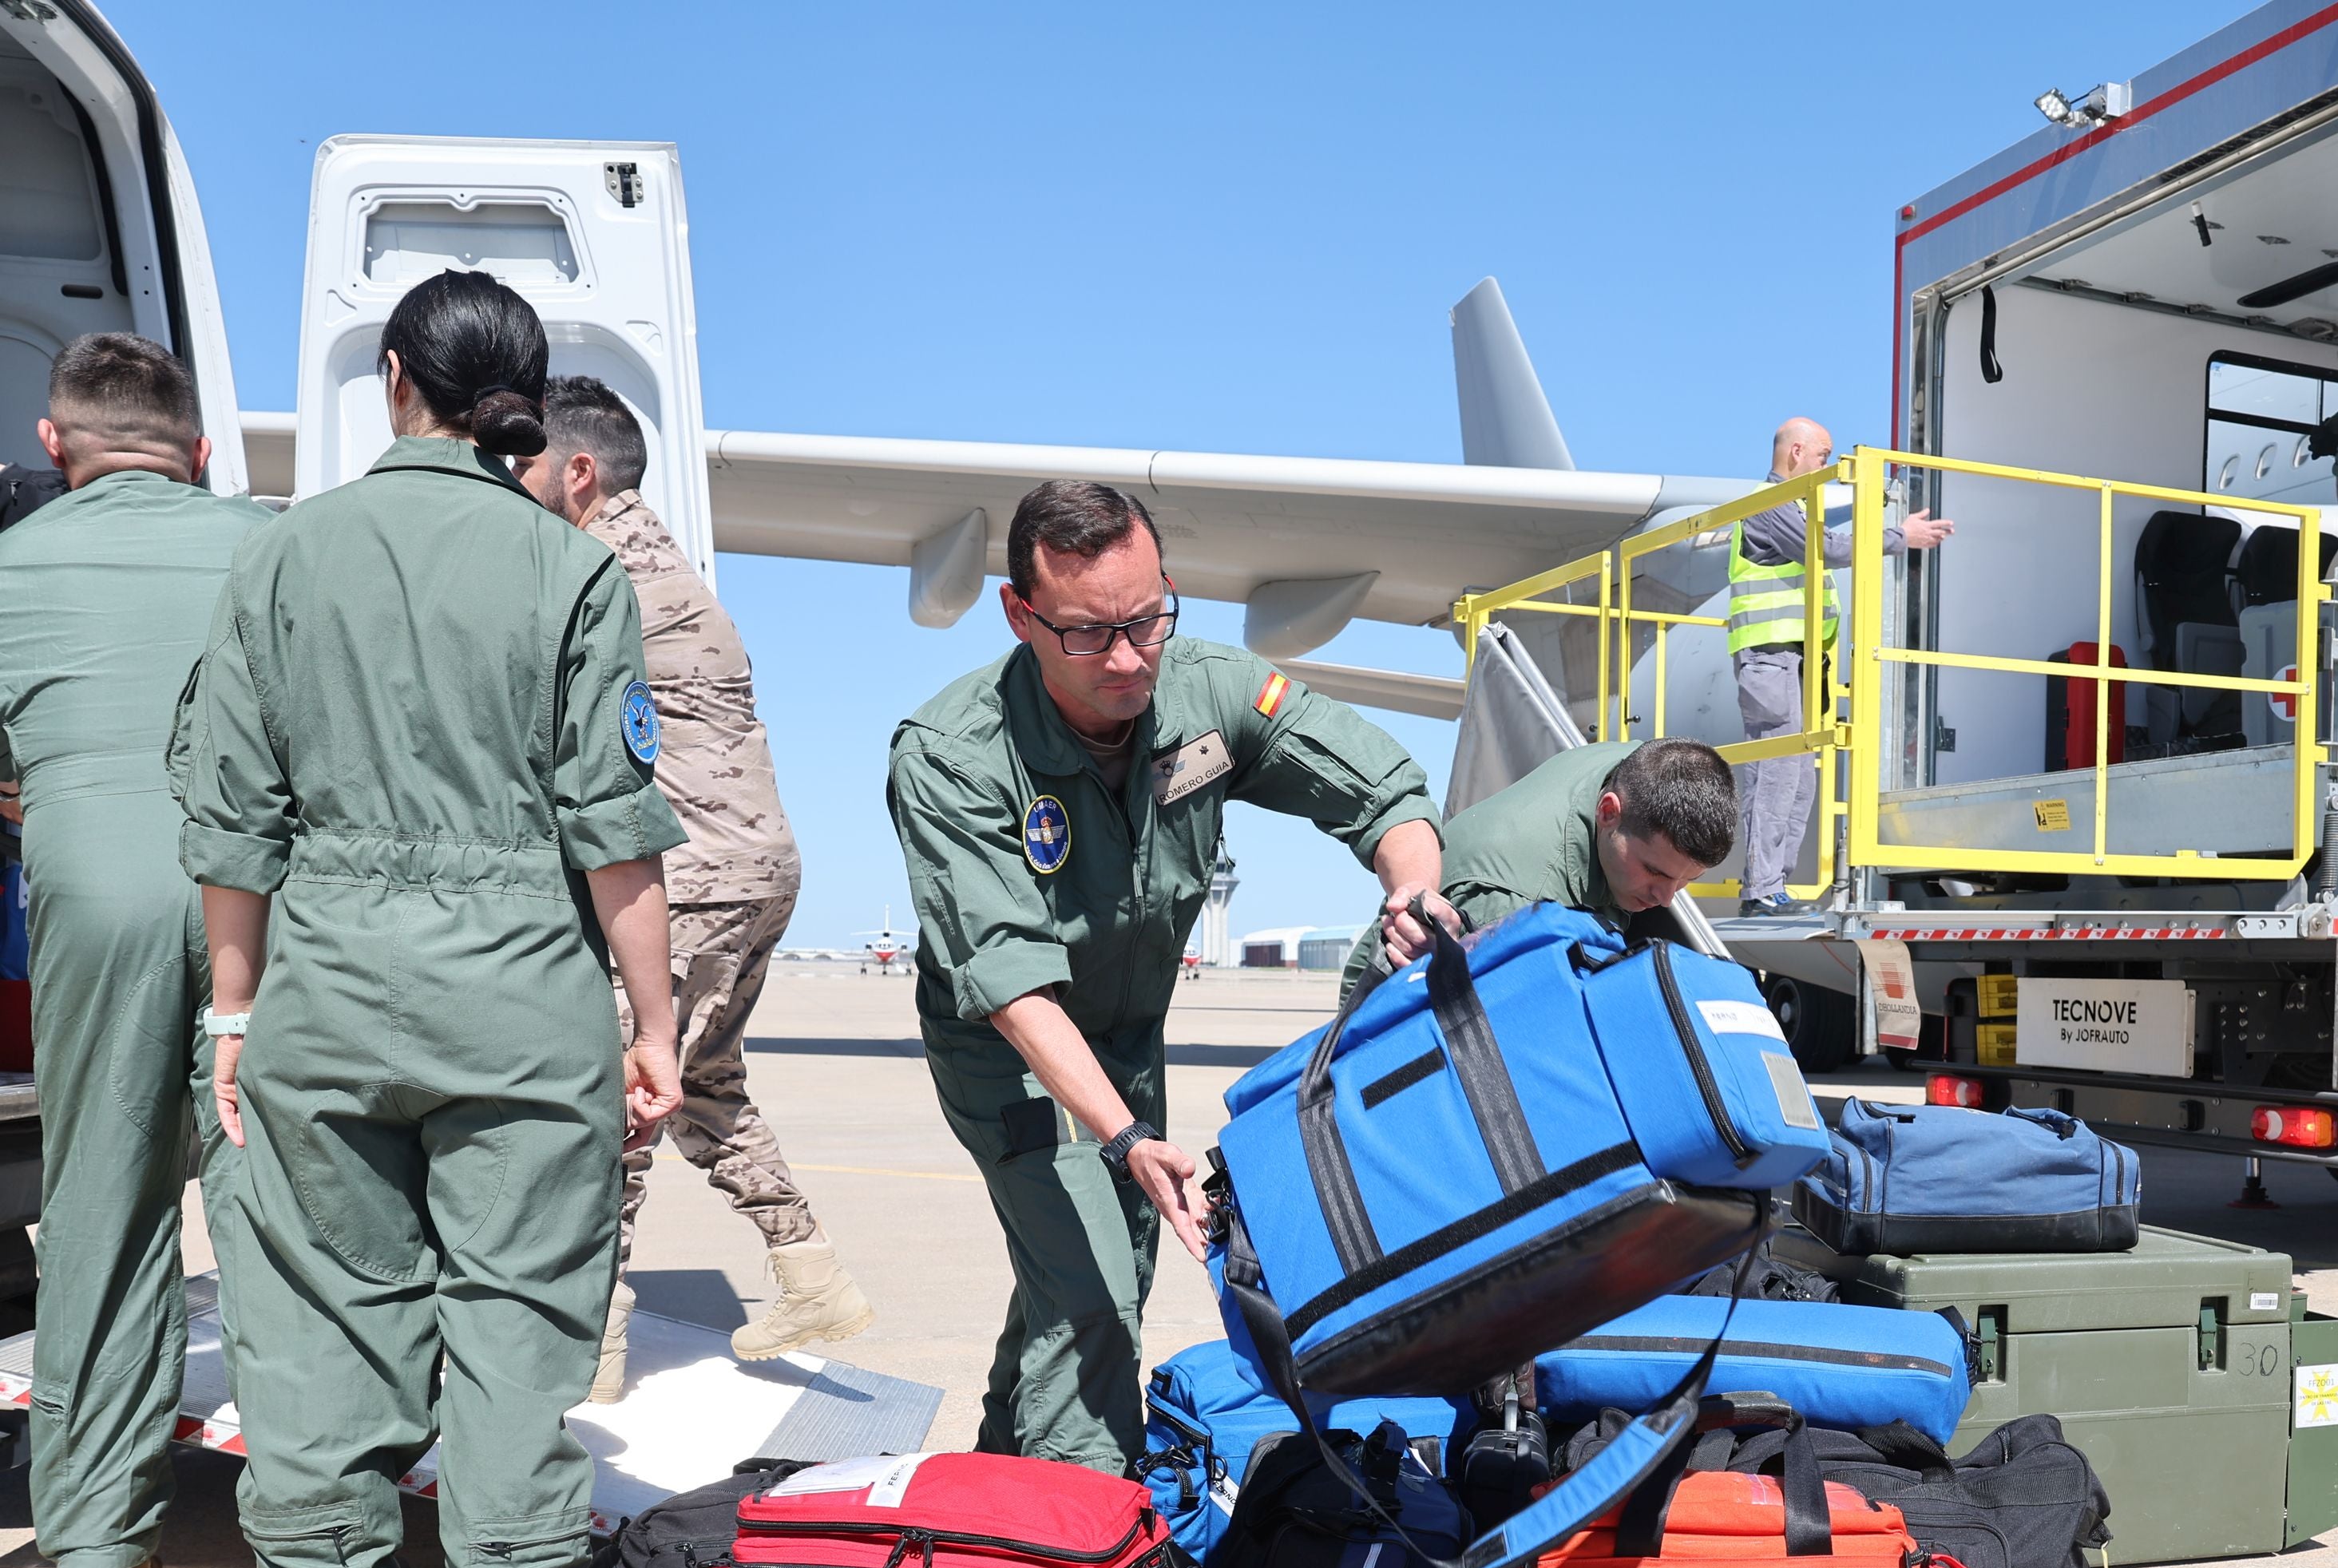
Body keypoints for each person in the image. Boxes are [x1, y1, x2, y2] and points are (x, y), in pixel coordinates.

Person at [171, 269, 684, 1568]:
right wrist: (653, 1025)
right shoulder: (570, 571)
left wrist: (234, 1011)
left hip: (322, 993)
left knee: (318, 1352)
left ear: (393, 379)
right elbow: (619, 835)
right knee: (511, 1355)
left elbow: (230, 814)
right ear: (520, 397)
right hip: (518, 1003)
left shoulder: (281, 558)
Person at [886, 479, 1445, 1473]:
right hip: (1011, 1052)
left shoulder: (1208, 692)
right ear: (1021, 615)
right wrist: (1129, 1135)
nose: (1131, 656)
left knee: (1094, 1279)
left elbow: (1381, 786)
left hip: (1129, 1036)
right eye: (1090, 634)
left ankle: (988, 1510)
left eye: (1149, 620)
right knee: (1094, 1291)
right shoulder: (952, 755)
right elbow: (1012, 985)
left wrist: (1410, 891)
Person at [519, 376, 874, 1400]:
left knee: (625, 1094)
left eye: (525, 462)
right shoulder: (666, 565)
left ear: (577, 472)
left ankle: (593, 1345)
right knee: (704, 1082)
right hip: (754, 866)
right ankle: (812, 1272)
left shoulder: (595, 572)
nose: (512, 482)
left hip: (698, 876)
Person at [0, 335, 267, 1568]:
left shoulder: (10, 564)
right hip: (261, 918)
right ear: (201, 453)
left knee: (101, 1206)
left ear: (55, 448)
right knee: (279, 1215)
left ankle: (99, 1551)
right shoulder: (269, 546)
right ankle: (312, 1553)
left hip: (91, 911)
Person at [1726, 418, 1952, 916]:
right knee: (1777, 772)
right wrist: (1899, 536)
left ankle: (1771, 887)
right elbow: (1826, 550)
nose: (1825, 466)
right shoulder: (1771, 503)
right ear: (1796, 453)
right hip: (1770, 658)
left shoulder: (1793, 506)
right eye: (1822, 456)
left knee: (1800, 777)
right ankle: (1761, 890)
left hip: (1796, 661)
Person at [1337, 738, 1735, 1003]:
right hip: (1383, 1011)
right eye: (1656, 872)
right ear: (1608, 811)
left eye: (1686, 881)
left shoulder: (1648, 769)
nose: (1666, 898)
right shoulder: (1520, 902)